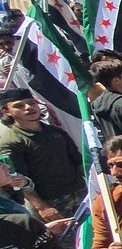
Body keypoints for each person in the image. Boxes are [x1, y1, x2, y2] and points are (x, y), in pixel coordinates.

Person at [0, 89, 86, 221]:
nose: (28, 108)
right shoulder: (11, 142)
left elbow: (78, 161)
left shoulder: (56, 131)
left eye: (31, 103)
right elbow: (19, 181)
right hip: (51, 203)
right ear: (6, 111)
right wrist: (42, 207)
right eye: (19, 106)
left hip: (81, 195)